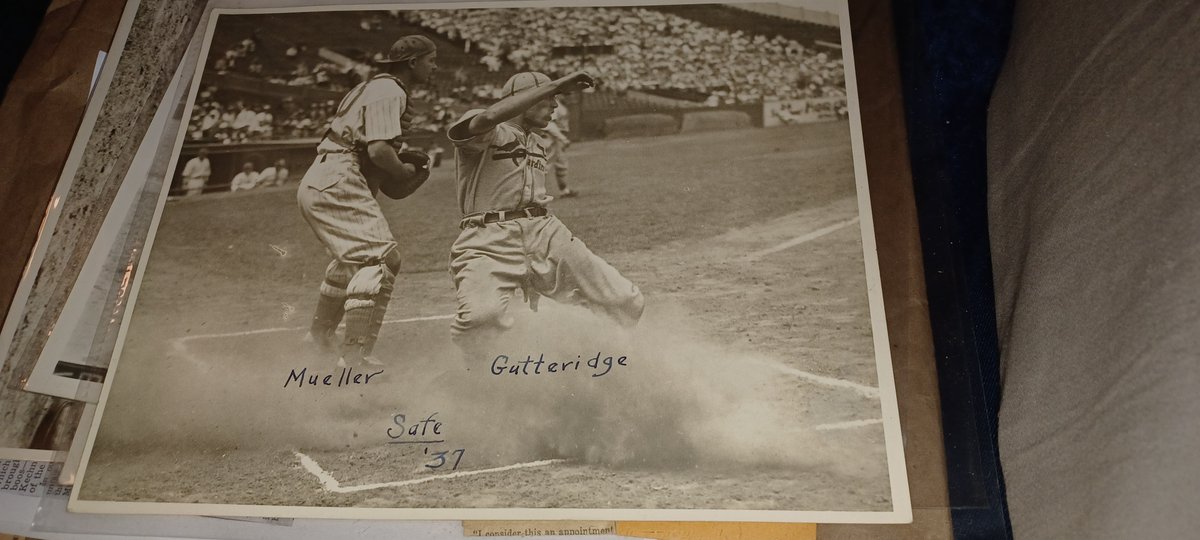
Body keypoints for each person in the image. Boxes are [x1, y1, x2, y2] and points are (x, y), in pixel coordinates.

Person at [446, 71, 644, 359]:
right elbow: (487, 119)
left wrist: (550, 90)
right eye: (549, 99)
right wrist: (556, 84)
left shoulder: (538, 141)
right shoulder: (488, 129)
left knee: (624, 299)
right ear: (525, 100)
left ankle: (598, 364)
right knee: (480, 319)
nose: (554, 106)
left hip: (545, 231)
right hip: (487, 236)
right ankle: (475, 379)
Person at [297, 35, 439, 367]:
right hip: (338, 175)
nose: (435, 67)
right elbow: (377, 151)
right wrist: (403, 168)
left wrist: (395, 155)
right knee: (382, 258)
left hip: (321, 176)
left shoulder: (370, 87)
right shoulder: (391, 91)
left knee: (353, 261)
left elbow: (370, 152)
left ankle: (318, 339)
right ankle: (355, 357)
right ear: (413, 62)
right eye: (431, 60)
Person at [542, 100, 575, 197]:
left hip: (557, 137)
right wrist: (562, 138)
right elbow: (549, 124)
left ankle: (564, 190)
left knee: (561, 164)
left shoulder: (560, 102)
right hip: (551, 137)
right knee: (544, 166)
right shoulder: (552, 102)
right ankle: (535, 192)